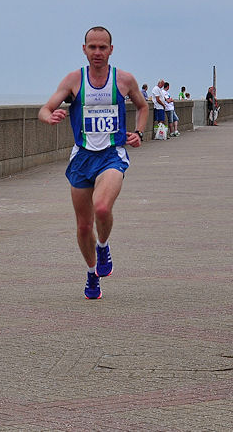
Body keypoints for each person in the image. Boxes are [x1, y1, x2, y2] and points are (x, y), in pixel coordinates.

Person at [38, 26, 148, 300]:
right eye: (92, 47)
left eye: (102, 47)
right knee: (84, 225)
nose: (97, 52)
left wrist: (140, 132)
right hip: (82, 158)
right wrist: (49, 117)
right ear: (84, 49)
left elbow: (143, 106)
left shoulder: (123, 80)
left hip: (111, 154)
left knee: (101, 207)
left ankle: (104, 246)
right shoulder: (74, 80)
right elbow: (45, 108)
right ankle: (91, 275)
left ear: (111, 49)